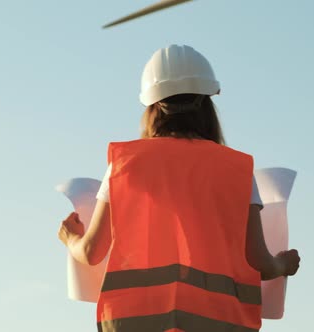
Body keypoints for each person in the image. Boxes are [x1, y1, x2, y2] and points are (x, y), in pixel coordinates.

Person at [58, 44, 301, 332]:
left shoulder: (125, 165)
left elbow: (91, 253)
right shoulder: (235, 169)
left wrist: (71, 238)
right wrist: (283, 265)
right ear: (208, 104)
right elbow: (259, 262)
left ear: (151, 108)